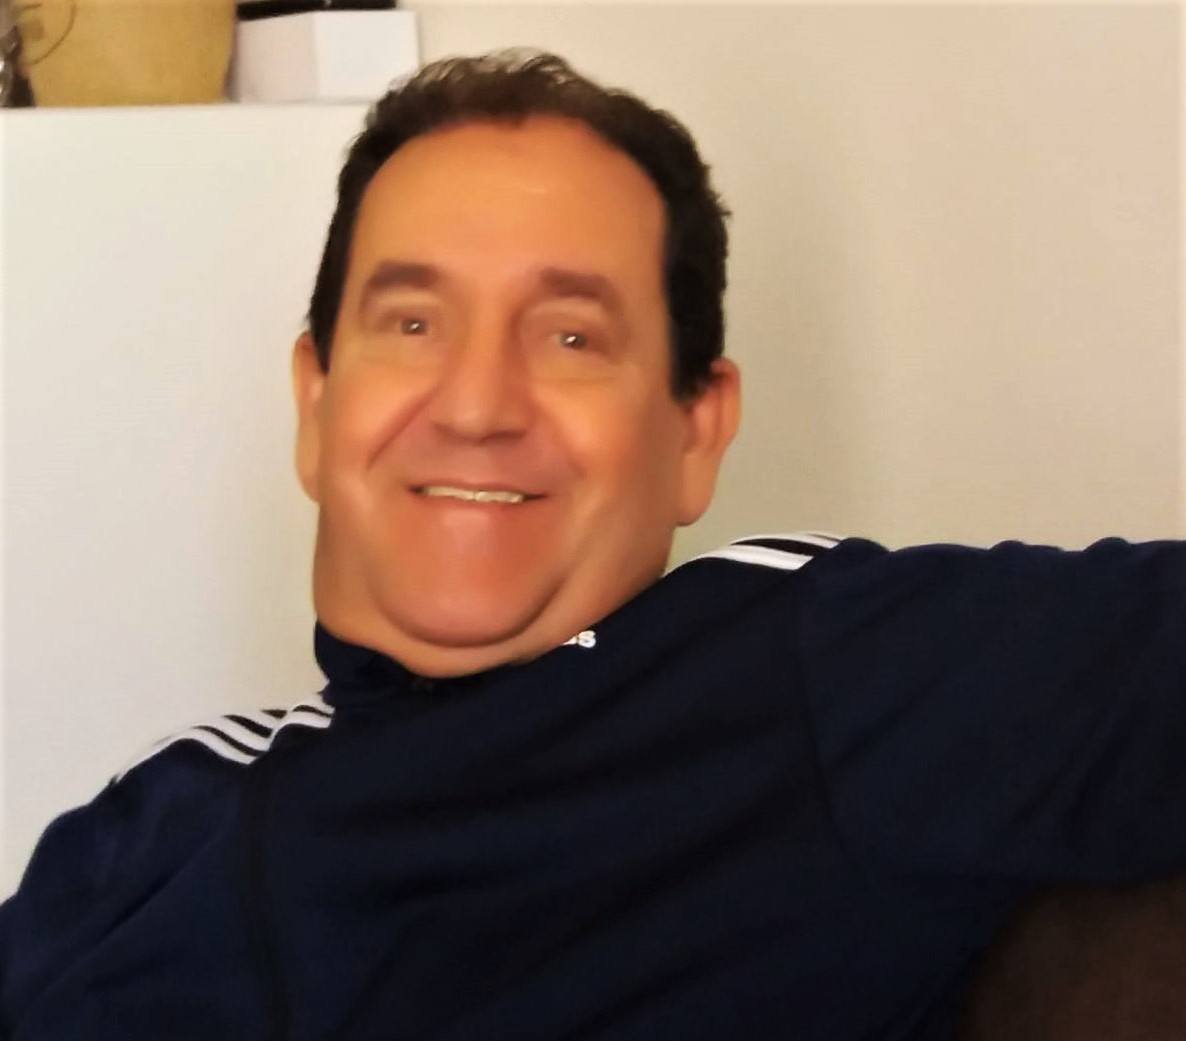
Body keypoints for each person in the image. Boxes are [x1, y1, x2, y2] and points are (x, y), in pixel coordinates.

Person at [0, 49, 1183, 1041]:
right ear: (317, 407)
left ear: (694, 431)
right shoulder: (151, 821)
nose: (476, 404)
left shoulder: (805, 676)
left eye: (570, 337)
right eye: (410, 323)